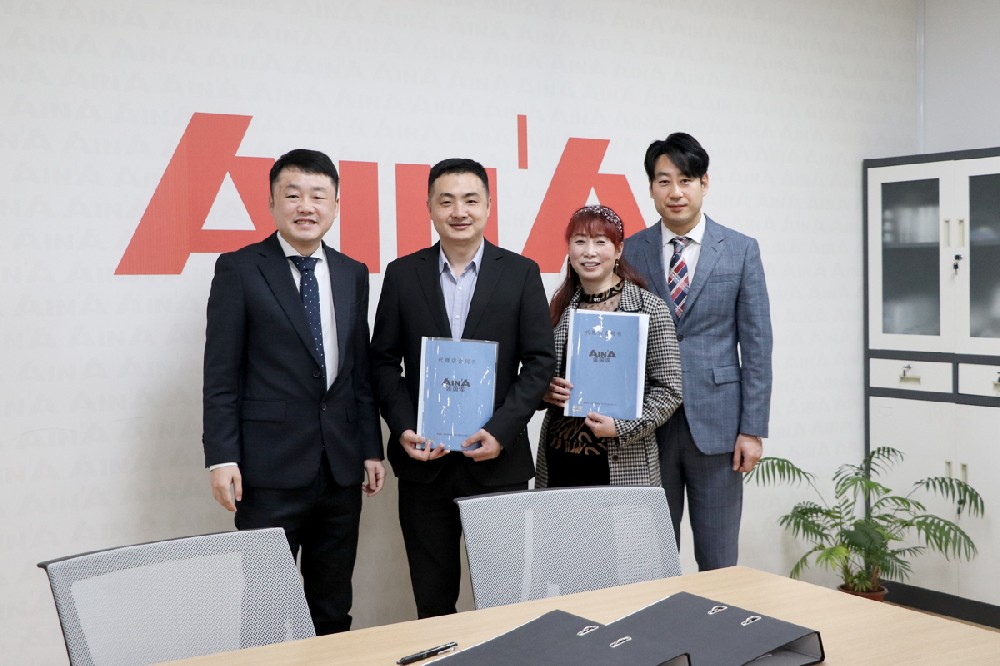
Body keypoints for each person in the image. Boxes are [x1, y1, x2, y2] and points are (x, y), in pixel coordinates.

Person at [202, 148, 385, 635]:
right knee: (264, 609)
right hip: (268, 470)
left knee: (332, 606)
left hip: (339, 468)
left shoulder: (352, 272)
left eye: (318, 196)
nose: (306, 206)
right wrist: (222, 457)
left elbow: (358, 372)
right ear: (272, 203)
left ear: (336, 205)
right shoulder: (240, 269)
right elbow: (221, 374)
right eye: (293, 195)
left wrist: (371, 448)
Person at [370, 158, 556, 618]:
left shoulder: (521, 273)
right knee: (432, 600)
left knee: (505, 599)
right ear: (430, 208)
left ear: (488, 206)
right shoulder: (402, 274)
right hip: (424, 463)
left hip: (498, 462)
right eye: (446, 200)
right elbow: (382, 362)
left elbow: (539, 363)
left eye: (470, 200)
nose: (459, 211)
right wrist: (404, 426)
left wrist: (501, 430)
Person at [622, 133, 772, 570]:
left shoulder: (741, 250)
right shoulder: (630, 251)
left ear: (704, 183)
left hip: (719, 428)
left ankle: (719, 620)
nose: (675, 192)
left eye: (685, 180)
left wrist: (752, 430)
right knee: (653, 560)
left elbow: (757, 345)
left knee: (719, 559)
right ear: (651, 188)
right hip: (650, 426)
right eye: (664, 181)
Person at [536, 205, 682, 488]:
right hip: (558, 459)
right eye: (580, 241)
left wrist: (621, 427)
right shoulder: (560, 307)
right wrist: (544, 390)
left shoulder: (649, 309)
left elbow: (670, 391)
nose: (589, 252)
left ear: (618, 250)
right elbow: (537, 373)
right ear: (569, 248)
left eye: (600, 242)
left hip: (621, 462)